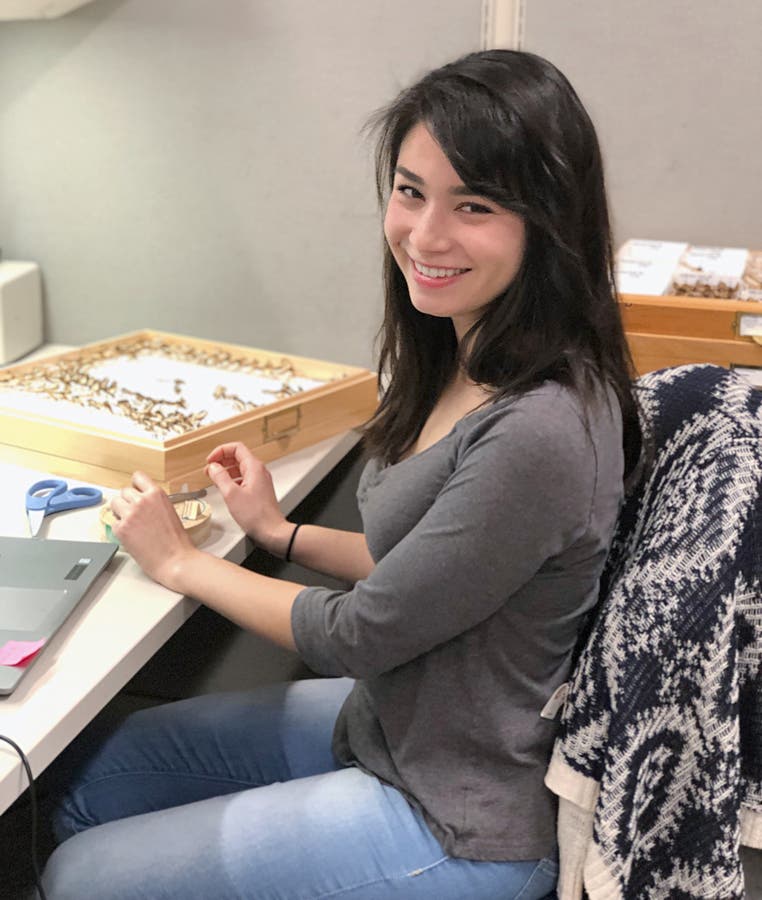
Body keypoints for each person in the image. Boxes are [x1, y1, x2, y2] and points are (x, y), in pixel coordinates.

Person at [42, 49, 642, 899]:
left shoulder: (542, 426)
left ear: (548, 220)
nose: (425, 236)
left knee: (79, 875)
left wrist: (181, 562)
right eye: (410, 191)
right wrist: (275, 531)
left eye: (473, 205)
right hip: (392, 721)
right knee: (86, 782)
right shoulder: (462, 349)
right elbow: (439, 573)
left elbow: (364, 631)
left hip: (458, 810)